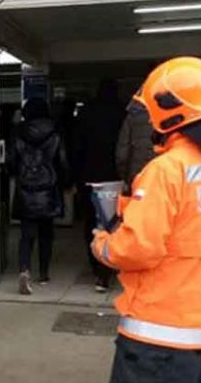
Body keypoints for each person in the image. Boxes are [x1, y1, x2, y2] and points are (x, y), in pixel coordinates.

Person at [91, 57, 201, 383]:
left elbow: (136, 248)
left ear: (167, 110)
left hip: (159, 339)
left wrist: (102, 244)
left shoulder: (166, 169)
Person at [7, 97, 67, 295]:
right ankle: (44, 273)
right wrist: (67, 182)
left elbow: (12, 163)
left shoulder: (18, 132)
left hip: (26, 188)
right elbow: (62, 160)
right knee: (46, 234)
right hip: (48, 188)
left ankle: (24, 270)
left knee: (26, 235)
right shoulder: (55, 132)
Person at [71, 79, 125, 293]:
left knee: (91, 223)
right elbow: (124, 147)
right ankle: (109, 267)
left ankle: (96, 263)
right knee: (114, 223)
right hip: (115, 177)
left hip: (89, 177)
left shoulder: (86, 113)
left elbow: (77, 146)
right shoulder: (123, 113)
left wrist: (76, 176)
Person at [115, 91, 154, 189]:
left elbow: (122, 153)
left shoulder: (132, 117)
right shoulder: (171, 115)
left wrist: (126, 177)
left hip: (137, 175)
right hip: (166, 175)